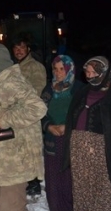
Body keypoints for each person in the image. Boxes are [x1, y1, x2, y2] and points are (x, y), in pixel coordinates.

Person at [63, 56, 111, 211]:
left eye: (93, 72)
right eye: (87, 72)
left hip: (106, 155)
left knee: (104, 197)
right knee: (82, 196)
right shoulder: (82, 93)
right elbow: (72, 119)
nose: (89, 76)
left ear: (104, 73)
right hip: (79, 153)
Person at [0, 43, 47, 211]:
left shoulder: (12, 82)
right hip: (6, 158)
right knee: (0, 200)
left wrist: (5, 120)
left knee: (11, 206)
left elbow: (38, 107)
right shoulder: (2, 82)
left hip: (17, 159)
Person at [40, 55, 84, 211]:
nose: (58, 73)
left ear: (69, 70)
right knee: (53, 183)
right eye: (55, 69)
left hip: (71, 142)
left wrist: (69, 125)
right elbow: (40, 112)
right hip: (52, 141)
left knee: (69, 182)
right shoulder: (48, 89)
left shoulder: (79, 89)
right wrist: (49, 126)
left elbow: (84, 113)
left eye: (62, 69)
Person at [11, 34, 47, 196]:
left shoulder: (35, 67)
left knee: (31, 149)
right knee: (19, 148)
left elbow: (37, 91)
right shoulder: (13, 67)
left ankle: (34, 184)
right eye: (16, 48)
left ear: (28, 49)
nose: (19, 51)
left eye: (22, 47)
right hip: (15, 115)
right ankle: (23, 178)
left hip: (28, 115)